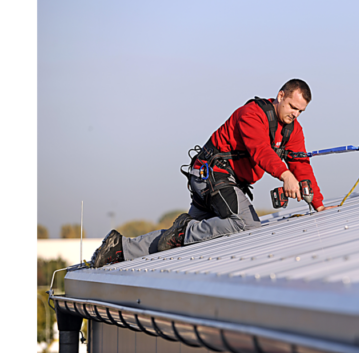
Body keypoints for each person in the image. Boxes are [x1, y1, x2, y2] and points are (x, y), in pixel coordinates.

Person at [91, 79, 337, 268]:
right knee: (246, 224)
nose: (295, 114)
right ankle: (184, 230)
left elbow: (301, 164)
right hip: (212, 177)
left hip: (223, 183)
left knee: (172, 243)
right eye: (293, 107)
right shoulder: (251, 114)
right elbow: (261, 151)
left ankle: (120, 248)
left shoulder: (292, 130)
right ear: (280, 96)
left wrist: (317, 204)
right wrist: (285, 175)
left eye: (301, 111)